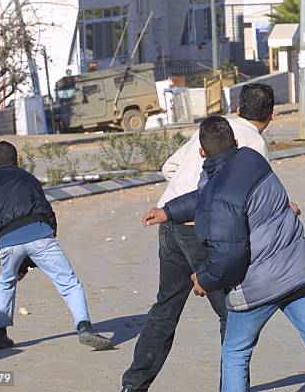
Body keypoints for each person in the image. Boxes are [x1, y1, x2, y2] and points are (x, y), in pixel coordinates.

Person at [142, 117, 305, 392]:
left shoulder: (217, 192)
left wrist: (204, 280)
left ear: (201, 153)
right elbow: (207, 198)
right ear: (235, 142)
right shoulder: (252, 159)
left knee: (235, 353)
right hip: (301, 272)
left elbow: (229, 257)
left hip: (259, 286)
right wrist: (169, 211)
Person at [122, 84, 285, 392]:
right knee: (231, 313)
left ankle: (134, 384)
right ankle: (231, 387)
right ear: (273, 115)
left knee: (165, 306)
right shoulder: (252, 145)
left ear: (237, 109)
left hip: (168, 217)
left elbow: (168, 166)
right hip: (200, 230)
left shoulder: (215, 128)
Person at [0, 141, 113, 351]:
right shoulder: (29, 178)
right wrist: (47, 235)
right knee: (68, 282)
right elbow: (46, 210)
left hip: (8, 241)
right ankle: (84, 327)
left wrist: (0, 237)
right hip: (40, 234)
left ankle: (0, 334)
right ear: (17, 160)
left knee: (6, 282)